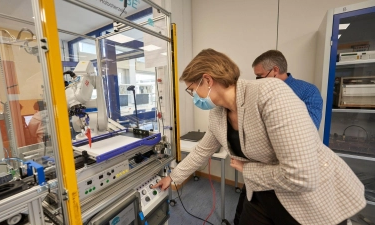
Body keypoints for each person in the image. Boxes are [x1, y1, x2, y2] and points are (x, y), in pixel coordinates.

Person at [152, 49, 365, 225]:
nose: (194, 97)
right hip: (262, 191)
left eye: (192, 90)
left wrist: (249, 170)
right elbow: (203, 149)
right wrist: (174, 177)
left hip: (307, 197)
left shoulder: (268, 92)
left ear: (207, 80)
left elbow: (302, 175)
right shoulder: (218, 114)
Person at [233, 50, 323, 225]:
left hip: (287, 171)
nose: (257, 80)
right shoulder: (257, 92)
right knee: (244, 210)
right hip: (259, 166)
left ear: (274, 70)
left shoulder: (307, 92)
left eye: (259, 76)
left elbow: (308, 132)